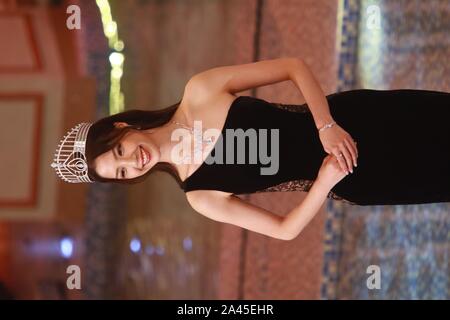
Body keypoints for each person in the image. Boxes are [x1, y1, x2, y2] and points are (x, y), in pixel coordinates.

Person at [51, 57, 450, 241]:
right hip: (360, 174)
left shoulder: (200, 91)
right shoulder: (200, 195)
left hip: (358, 117)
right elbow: (284, 230)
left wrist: (326, 125)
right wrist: (325, 181)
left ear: (123, 127)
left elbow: (293, 67)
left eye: (119, 153)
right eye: (121, 173)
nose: (132, 164)